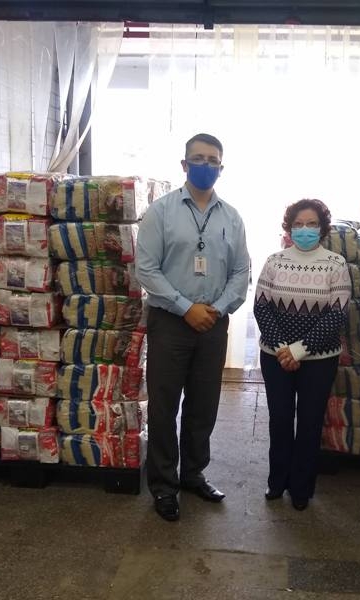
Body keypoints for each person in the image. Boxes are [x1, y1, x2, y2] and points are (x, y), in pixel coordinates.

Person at [136, 133, 251, 522]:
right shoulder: (161, 211)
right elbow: (146, 269)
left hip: (213, 323)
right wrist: (187, 309)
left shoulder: (231, 217)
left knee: (204, 404)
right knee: (164, 405)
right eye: (198, 158)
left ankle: (193, 474)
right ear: (184, 165)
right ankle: (164, 485)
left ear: (221, 167)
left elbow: (241, 272)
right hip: (171, 321)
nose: (206, 165)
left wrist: (216, 309)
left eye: (213, 160)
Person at [253, 199, 350, 510]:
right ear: (289, 228)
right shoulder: (274, 261)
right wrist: (282, 348)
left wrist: (298, 350)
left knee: (309, 423)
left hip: (319, 360)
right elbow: (261, 306)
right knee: (280, 420)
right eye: (298, 224)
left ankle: (301, 488)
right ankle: (277, 481)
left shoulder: (336, 264)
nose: (304, 229)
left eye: (311, 224)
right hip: (275, 356)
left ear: (322, 228)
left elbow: (337, 313)